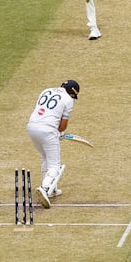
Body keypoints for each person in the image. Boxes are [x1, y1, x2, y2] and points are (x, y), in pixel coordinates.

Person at [26, 79, 80, 209]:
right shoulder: (68, 100)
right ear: (72, 93)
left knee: (45, 157)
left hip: (32, 127)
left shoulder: (46, 90)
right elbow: (62, 126)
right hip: (47, 131)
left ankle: (51, 189)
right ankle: (45, 188)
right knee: (55, 166)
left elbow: (44, 113)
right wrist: (57, 133)